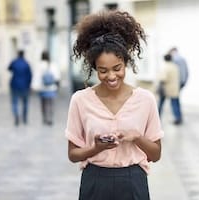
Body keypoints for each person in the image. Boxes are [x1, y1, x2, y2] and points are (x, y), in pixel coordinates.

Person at [65, 10, 164, 200]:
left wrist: (137, 137)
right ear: (94, 68)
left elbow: (156, 154)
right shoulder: (80, 100)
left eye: (117, 68)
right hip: (95, 180)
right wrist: (96, 148)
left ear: (126, 63)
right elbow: (73, 154)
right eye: (103, 71)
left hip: (134, 180)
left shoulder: (146, 100)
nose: (111, 76)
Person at [32, 50, 60, 125]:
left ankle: (44, 118)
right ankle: (50, 118)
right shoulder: (53, 64)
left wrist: (34, 87)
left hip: (42, 88)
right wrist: (58, 87)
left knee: (43, 104)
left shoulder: (39, 65)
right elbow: (57, 77)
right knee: (51, 104)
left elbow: (36, 77)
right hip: (52, 88)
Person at [8, 50, 32, 126]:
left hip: (15, 85)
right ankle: (24, 118)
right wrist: (29, 85)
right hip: (25, 86)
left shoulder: (14, 62)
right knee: (25, 103)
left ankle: (16, 116)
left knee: (15, 102)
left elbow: (9, 68)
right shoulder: (26, 64)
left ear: (18, 54)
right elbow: (30, 76)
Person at [157, 54, 182, 124]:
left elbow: (163, 78)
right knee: (175, 104)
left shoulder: (166, 67)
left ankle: (156, 117)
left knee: (161, 104)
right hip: (175, 88)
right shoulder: (175, 66)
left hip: (166, 89)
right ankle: (178, 118)